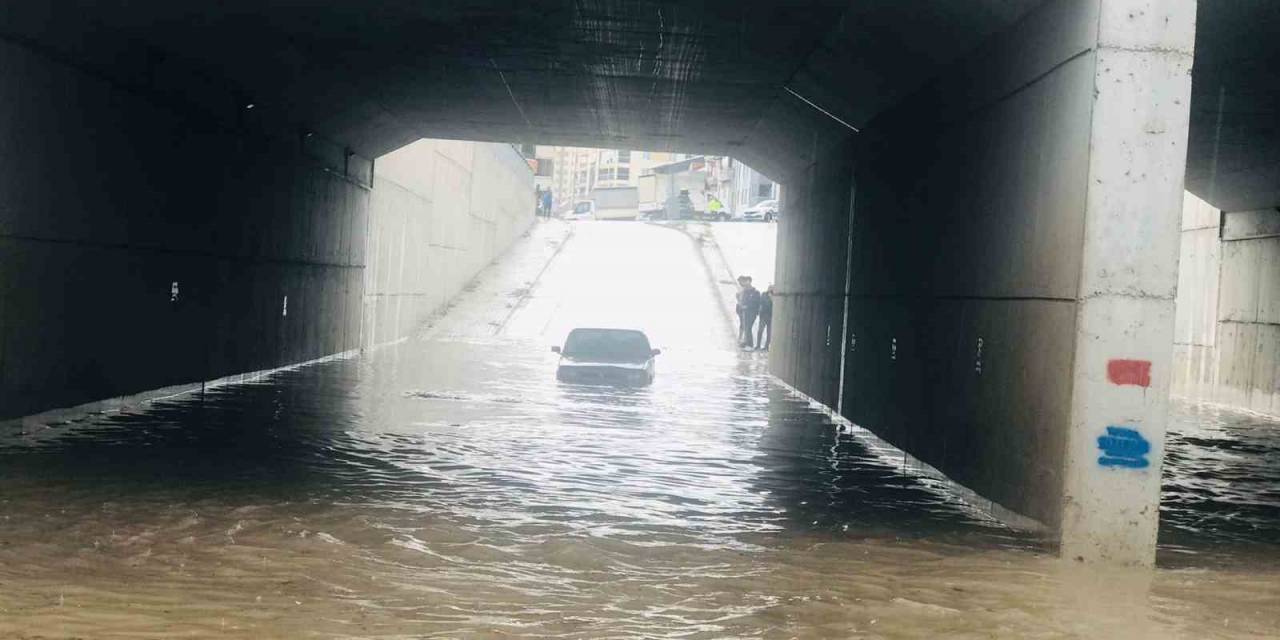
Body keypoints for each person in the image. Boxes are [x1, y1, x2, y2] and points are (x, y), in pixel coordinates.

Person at [736, 275, 761, 349]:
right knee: (746, 328)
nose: (744, 283)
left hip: (752, 313)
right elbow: (741, 302)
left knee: (748, 328)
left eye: (746, 281)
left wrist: (747, 306)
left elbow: (756, 303)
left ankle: (750, 345)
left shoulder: (755, 292)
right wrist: (740, 301)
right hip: (745, 312)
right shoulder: (744, 292)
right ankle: (746, 342)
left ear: (749, 281)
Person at [756, 284, 773, 351]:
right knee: (760, 330)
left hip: (771, 316)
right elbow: (761, 302)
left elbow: (775, 304)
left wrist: (771, 298)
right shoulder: (764, 294)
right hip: (763, 315)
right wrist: (759, 310)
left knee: (769, 333)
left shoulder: (775, 296)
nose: (770, 289)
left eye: (772, 288)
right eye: (769, 287)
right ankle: (758, 345)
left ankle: (766, 347)